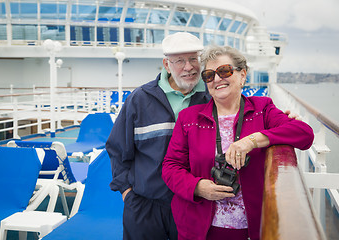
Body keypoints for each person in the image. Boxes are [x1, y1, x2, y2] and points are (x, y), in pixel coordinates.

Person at [161, 45, 314, 240]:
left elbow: (304, 134)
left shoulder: (263, 108)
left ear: (242, 75)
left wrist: (252, 140)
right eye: (209, 75)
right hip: (198, 228)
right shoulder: (188, 118)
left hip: (252, 229)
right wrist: (198, 187)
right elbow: (170, 167)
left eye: (224, 71)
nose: (217, 79)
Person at [106, 32, 211, 240]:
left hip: (195, 203)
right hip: (145, 207)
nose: (188, 67)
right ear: (166, 64)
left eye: (193, 59)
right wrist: (127, 193)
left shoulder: (212, 97)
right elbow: (117, 149)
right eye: (179, 61)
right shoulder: (140, 99)